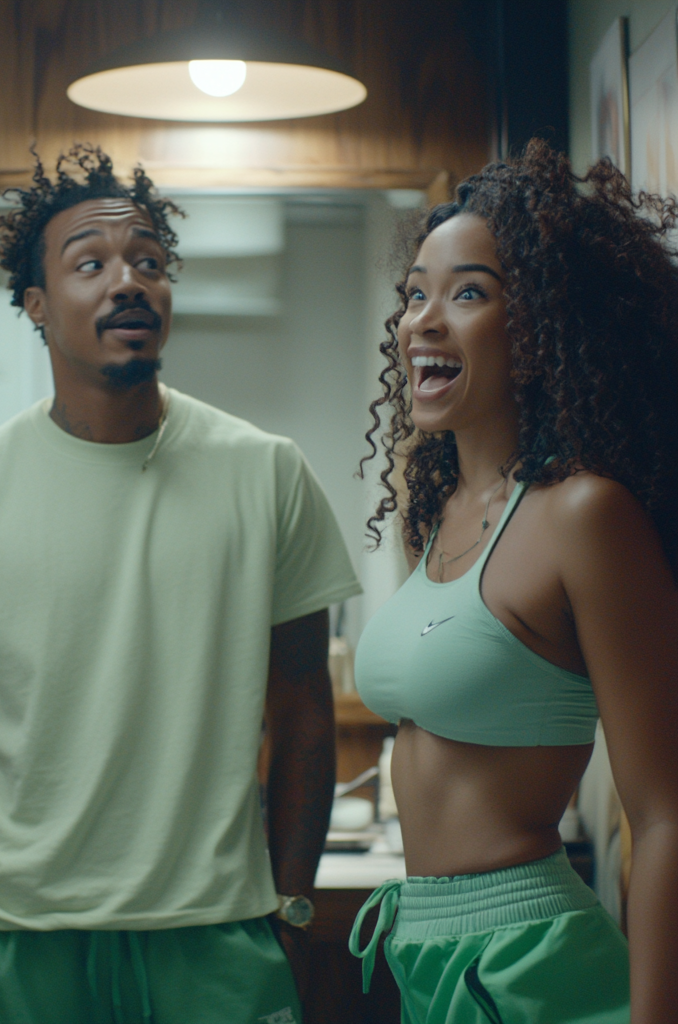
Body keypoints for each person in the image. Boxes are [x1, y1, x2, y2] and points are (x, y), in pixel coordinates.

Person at [0, 145, 361, 1024]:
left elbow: (303, 706)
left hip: (218, 934)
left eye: (148, 262)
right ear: (36, 305)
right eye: (90, 264)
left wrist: (292, 909)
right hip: (15, 939)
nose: (129, 281)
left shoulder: (268, 473)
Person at [350, 141, 677, 1023]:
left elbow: (664, 815)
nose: (423, 320)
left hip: (530, 962)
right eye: (415, 292)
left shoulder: (585, 517)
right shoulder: (439, 517)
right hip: (427, 952)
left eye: (468, 293)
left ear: (538, 328)